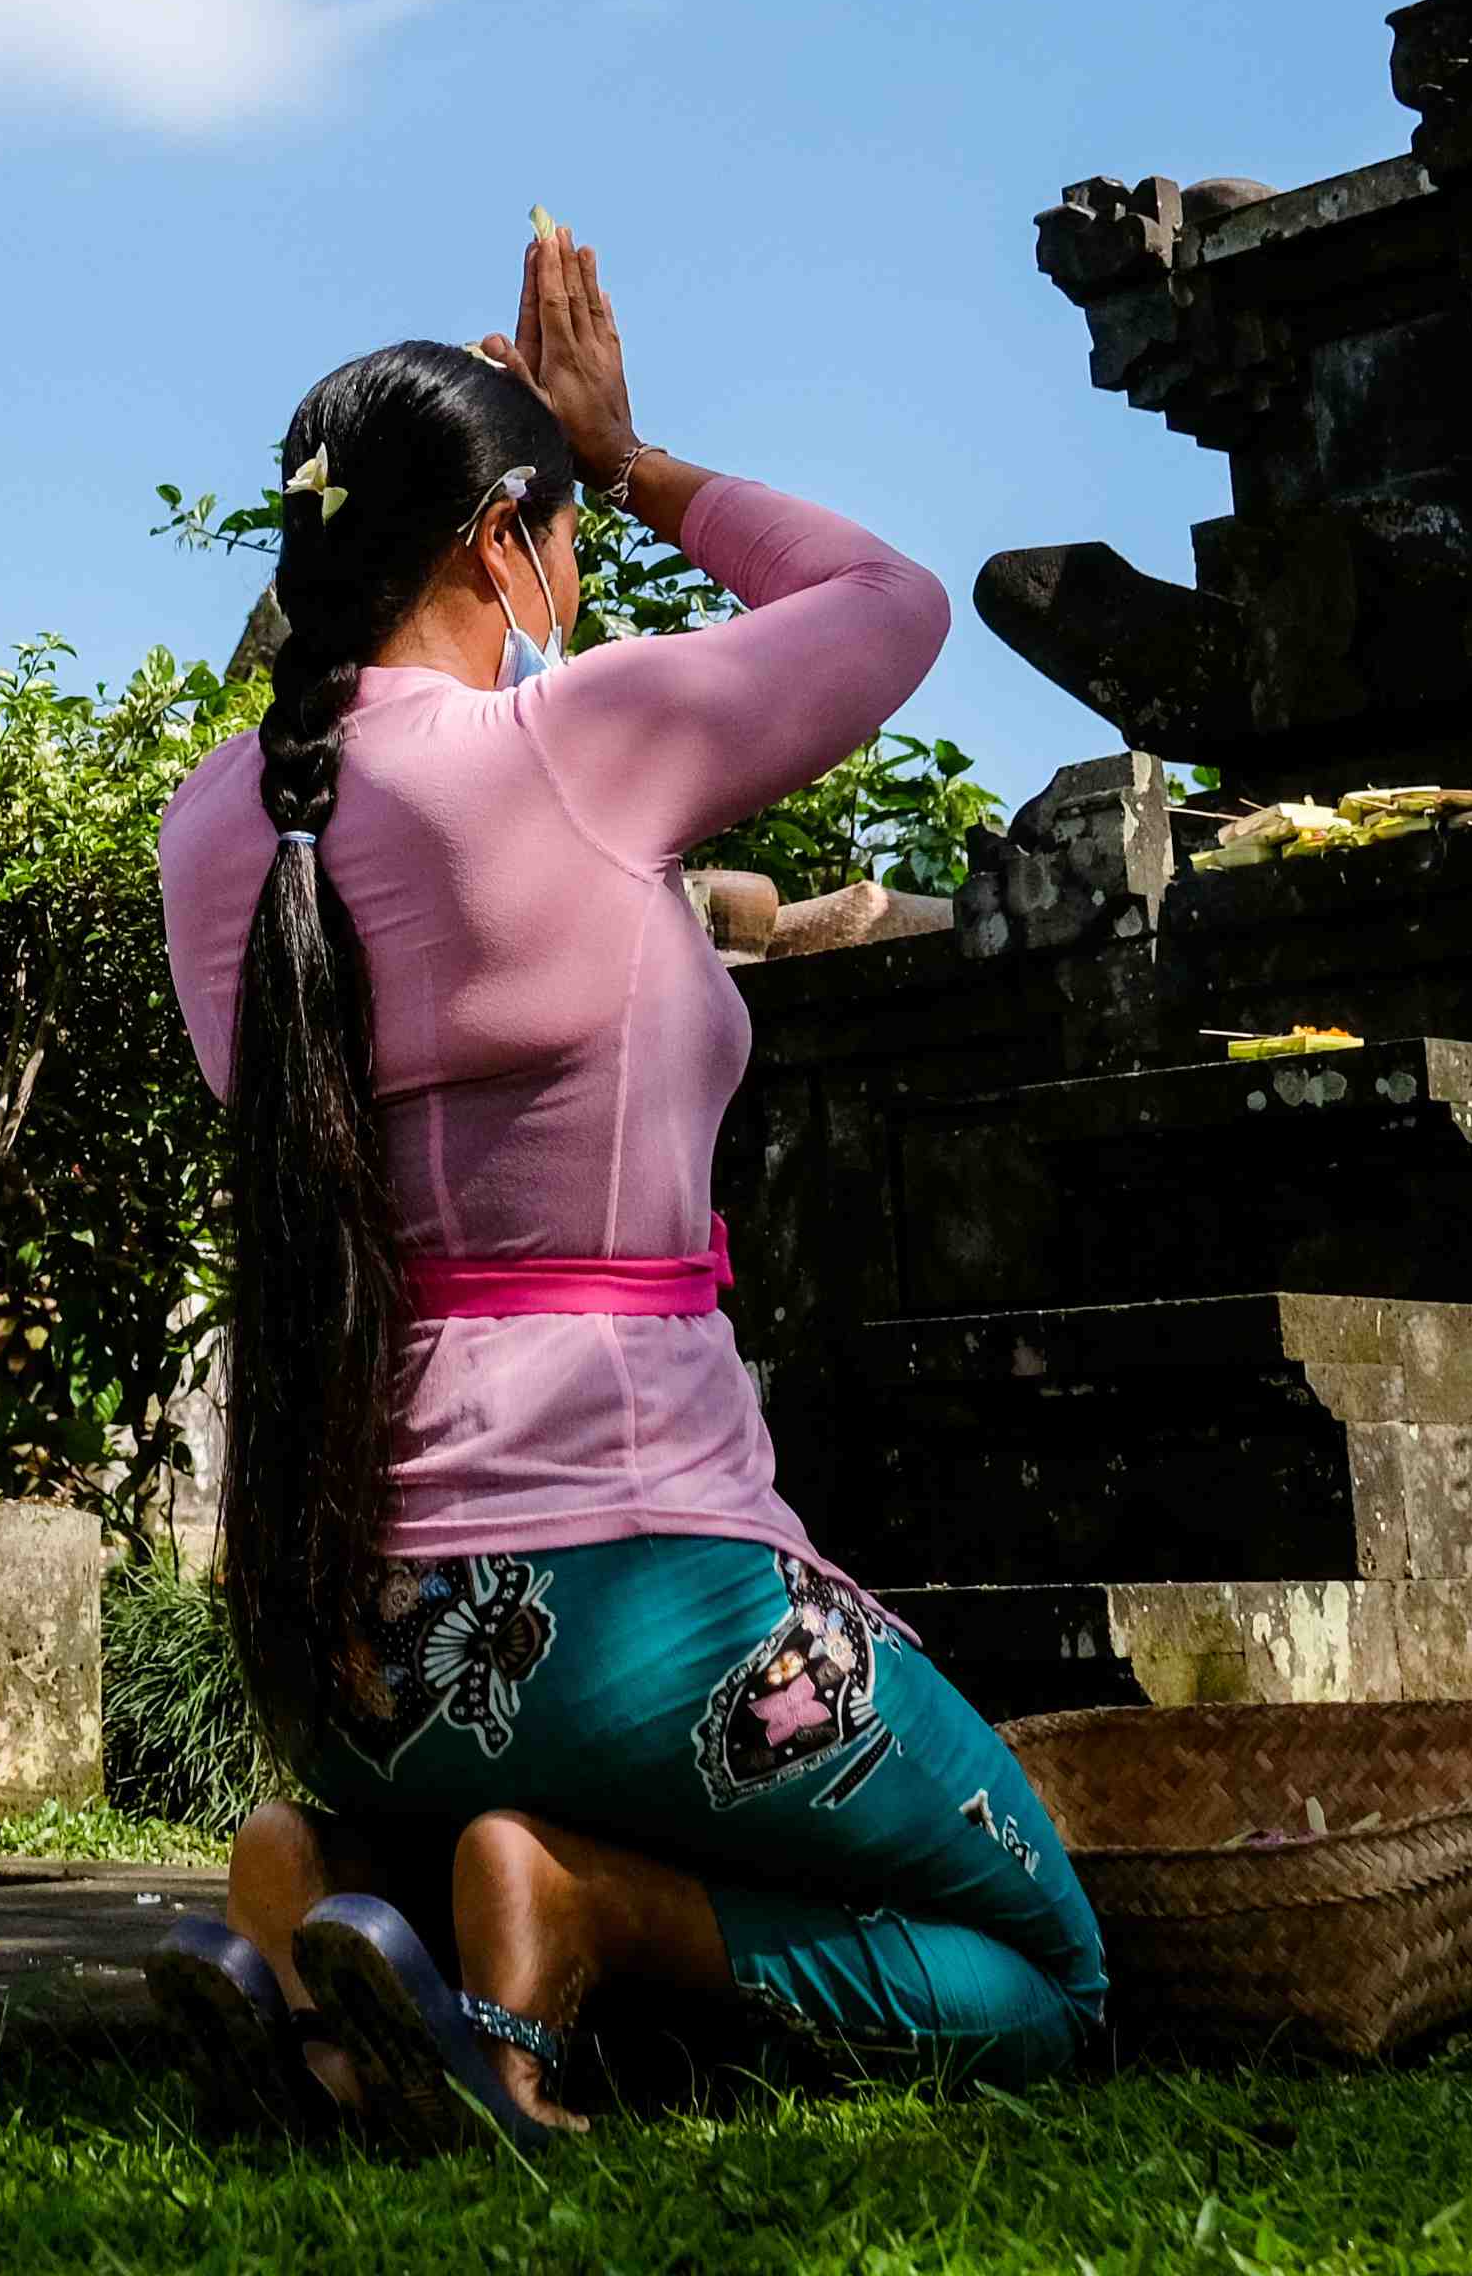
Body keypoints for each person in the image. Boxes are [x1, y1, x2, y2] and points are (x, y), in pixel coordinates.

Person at [145, 223, 1104, 2149]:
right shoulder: (568, 741)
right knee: (1047, 1973)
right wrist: (641, 453)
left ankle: (343, 1877)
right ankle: (574, 1907)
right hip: (632, 1616)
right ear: (506, 540)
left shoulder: (211, 828)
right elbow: (892, 602)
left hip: (339, 1641)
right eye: (565, 533)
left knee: (488, 1810)